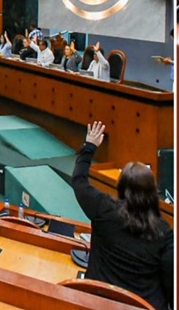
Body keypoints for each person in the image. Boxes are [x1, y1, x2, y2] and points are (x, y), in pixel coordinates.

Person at [72, 122, 173, 309]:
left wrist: (90, 146)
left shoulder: (103, 209)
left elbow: (79, 180)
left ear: (120, 188)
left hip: (97, 303)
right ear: (153, 192)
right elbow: (170, 280)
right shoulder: (164, 232)